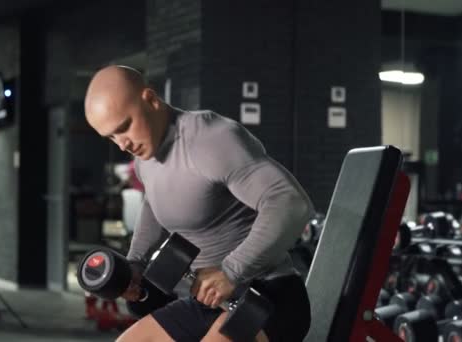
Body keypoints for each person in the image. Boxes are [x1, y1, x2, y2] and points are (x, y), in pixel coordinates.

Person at [84, 65, 313, 342]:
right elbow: (154, 206)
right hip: (209, 302)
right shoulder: (146, 157)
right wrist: (136, 263)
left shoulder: (209, 138)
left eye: (124, 128)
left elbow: (290, 202)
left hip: (266, 297)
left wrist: (231, 271)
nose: (123, 144)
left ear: (150, 99)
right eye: (111, 136)